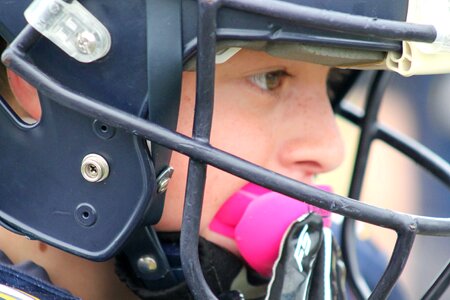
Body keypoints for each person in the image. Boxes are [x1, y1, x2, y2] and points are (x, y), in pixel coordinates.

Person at [0, 1, 449, 299]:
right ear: (58, 86)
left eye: (332, 82)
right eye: (270, 77)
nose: (330, 149)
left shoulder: (348, 278)